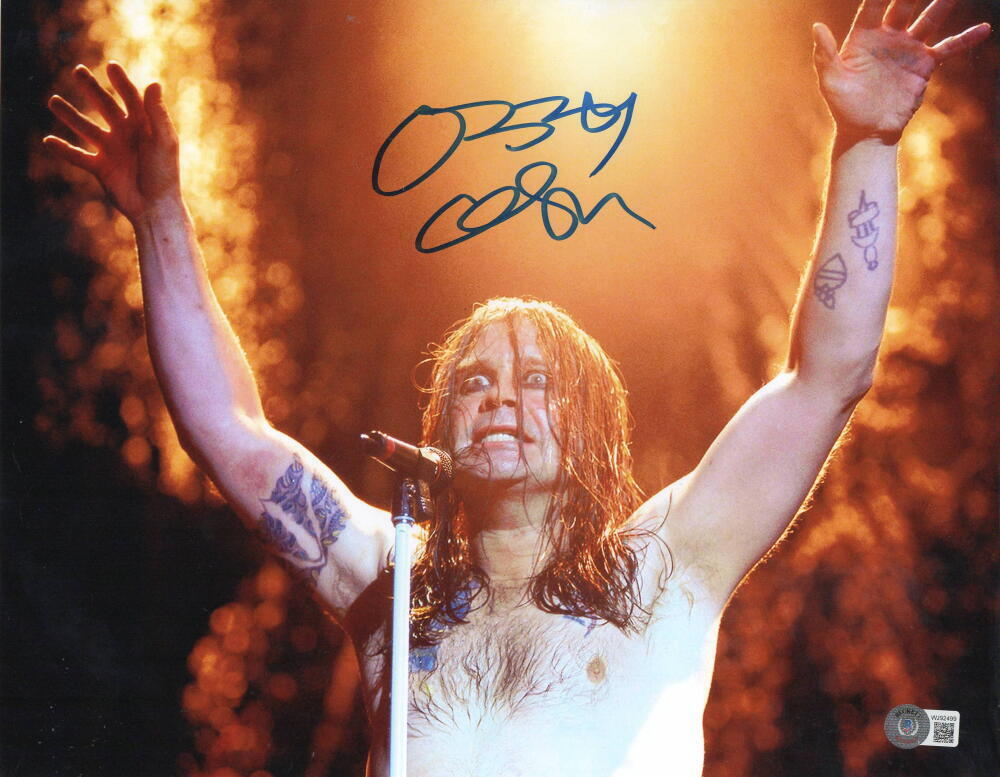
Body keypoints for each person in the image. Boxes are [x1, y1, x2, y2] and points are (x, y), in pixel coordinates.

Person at [44, 1, 990, 775]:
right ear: (441, 420)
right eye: (475, 381)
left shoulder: (665, 566)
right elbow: (229, 430)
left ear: (592, 429)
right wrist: (160, 215)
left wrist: (867, 140)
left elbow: (824, 377)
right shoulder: (387, 581)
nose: (501, 397)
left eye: (539, 380)